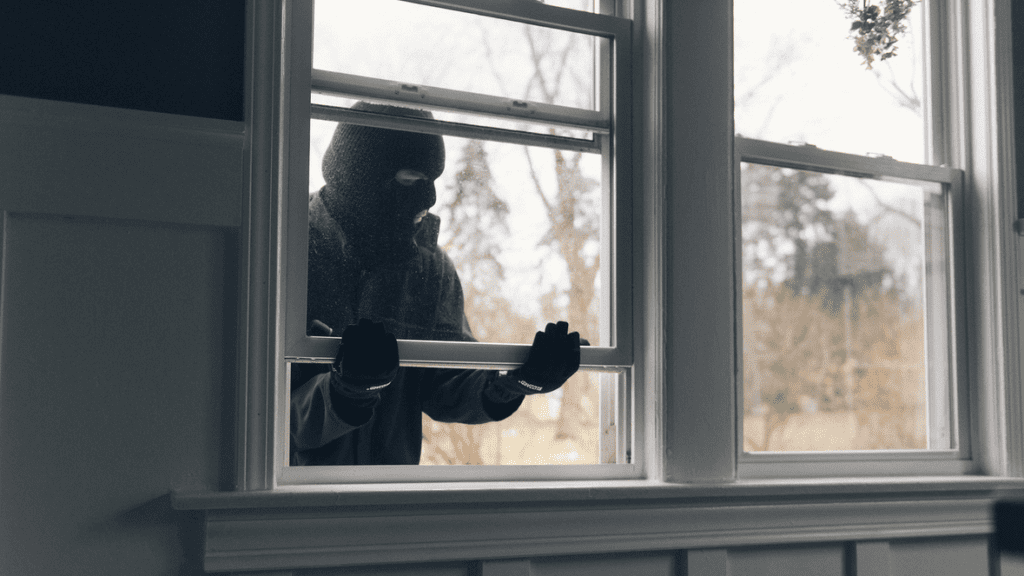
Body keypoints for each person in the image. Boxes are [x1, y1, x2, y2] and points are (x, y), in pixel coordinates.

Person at [290, 101, 584, 466]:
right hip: (283, 505)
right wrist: (345, 393)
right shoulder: (284, 253)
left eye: (432, 182)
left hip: (386, 503)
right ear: (359, 177)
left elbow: (445, 386)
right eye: (411, 180)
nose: (428, 199)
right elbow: (256, 411)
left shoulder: (431, 270)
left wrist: (519, 379)